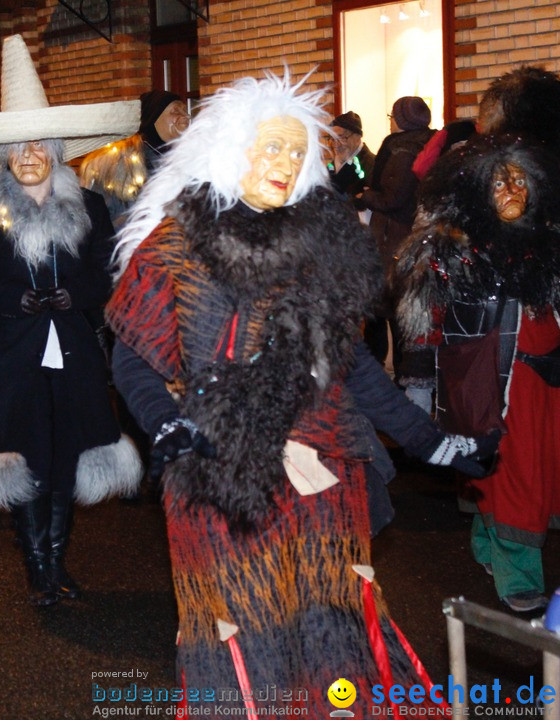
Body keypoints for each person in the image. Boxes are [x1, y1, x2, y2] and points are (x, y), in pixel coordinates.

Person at [106, 71, 495, 713]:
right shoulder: (175, 242)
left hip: (322, 472)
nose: (286, 163)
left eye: (297, 151)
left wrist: (432, 443)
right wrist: (166, 425)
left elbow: (354, 369)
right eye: (271, 145)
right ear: (231, 149)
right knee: (241, 632)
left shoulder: (319, 246)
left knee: (333, 628)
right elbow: (132, 357)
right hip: (219, 468)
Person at [0, 34, 144, 606]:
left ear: (56, 150)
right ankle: (37, 568)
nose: (29, 154)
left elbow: (108, 269)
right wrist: (15, 300)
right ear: (5, 158)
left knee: (66, 454)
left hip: (74, 351)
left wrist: (78, 294)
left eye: (40, 144)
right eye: (18, 147)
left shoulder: (88, 207)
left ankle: (56, 564)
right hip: (11, 355)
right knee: (25, 457)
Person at [394, 135, 560, 613]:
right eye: (499, 181)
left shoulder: (548, 239)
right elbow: (421, 331)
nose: (512, 190)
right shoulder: (448, 250)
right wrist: (418, 399)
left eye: (519, 179)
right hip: (484, 385)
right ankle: (520, 575)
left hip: (542, 385)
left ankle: (489, 544)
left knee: (521, 473)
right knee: (515, 478)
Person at [356, 96, 434, 377]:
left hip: (394, 237)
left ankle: (400, 374)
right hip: (411, 234)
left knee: (391, 305)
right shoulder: (428, 142)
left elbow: (393, 198)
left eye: (392, 115)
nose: (389, 120)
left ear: (401, 119)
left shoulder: (402, 150)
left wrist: (364, 195)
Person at [79, 90, 190, 223]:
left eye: (185, 110)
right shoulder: (119, 167)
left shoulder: (191, 161)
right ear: (153, 118)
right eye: (175, 111)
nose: (186, 116)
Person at [326, 110, 374, 199]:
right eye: (332, 139)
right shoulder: (331, 166)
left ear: (357, 136)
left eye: (342, 138)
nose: (336, 144)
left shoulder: (372, 165)